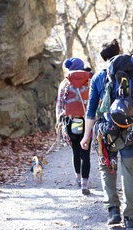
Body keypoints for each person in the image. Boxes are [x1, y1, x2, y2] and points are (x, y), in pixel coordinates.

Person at [80, 39, 133, 230]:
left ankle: (113, 211)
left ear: (103, 59)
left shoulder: (98, 78)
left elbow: (91, 110)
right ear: (119, 53)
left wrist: (86, 137)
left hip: (106, 131)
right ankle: (130, 220)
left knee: (107, 168)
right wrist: (131, 106)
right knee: (129, 174)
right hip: (130, 131)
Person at [56, 57, 91, 195]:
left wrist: (59, 124)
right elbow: (95, 103)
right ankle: (85, 184)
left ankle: (77, 177)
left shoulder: (65, 83)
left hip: (70, 121)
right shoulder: (89, 82)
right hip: (86, 121)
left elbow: (59, 106)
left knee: (75, 151)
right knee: (85, 153)